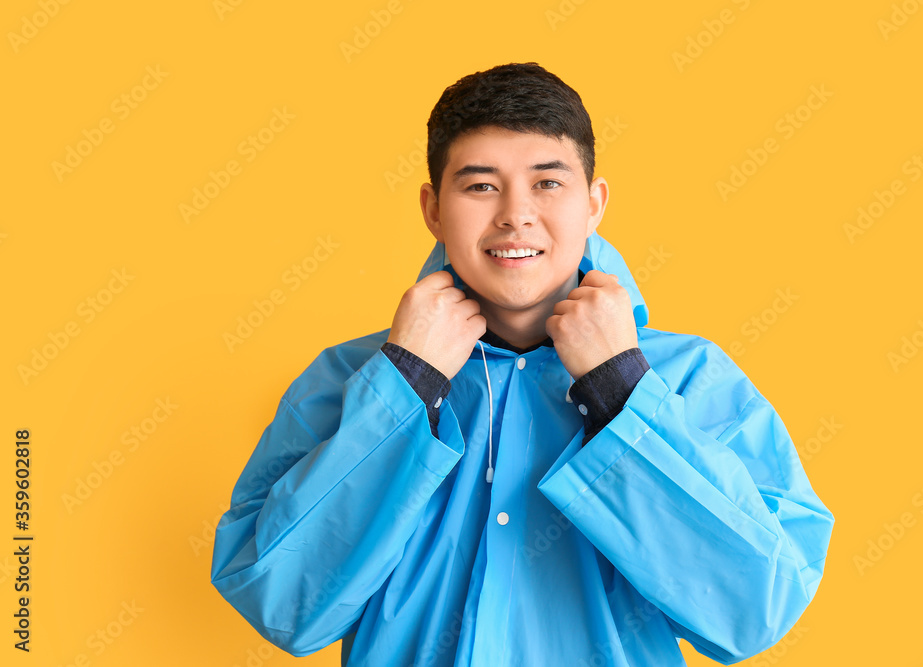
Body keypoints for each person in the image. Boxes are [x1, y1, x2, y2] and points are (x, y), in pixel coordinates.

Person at [210, 62, 834, 666]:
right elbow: (283, 606)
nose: (515, 214)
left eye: (548, 182)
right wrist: (406, 386)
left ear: (594, 203)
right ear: (432, 208)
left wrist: (621, 392)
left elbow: (754, 610)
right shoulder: (349, 379)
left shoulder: (691, 378)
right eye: (480, 184)